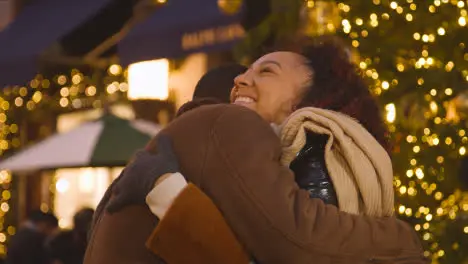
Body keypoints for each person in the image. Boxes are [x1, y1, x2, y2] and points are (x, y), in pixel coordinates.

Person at [86, 38, 425, 264]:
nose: (241, 80)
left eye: (266, 71)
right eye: (245, 72)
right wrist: (400, 237)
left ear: (309, 98)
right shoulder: (230, 122)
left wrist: (168, 193)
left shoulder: (287, 144)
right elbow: (295, 238)